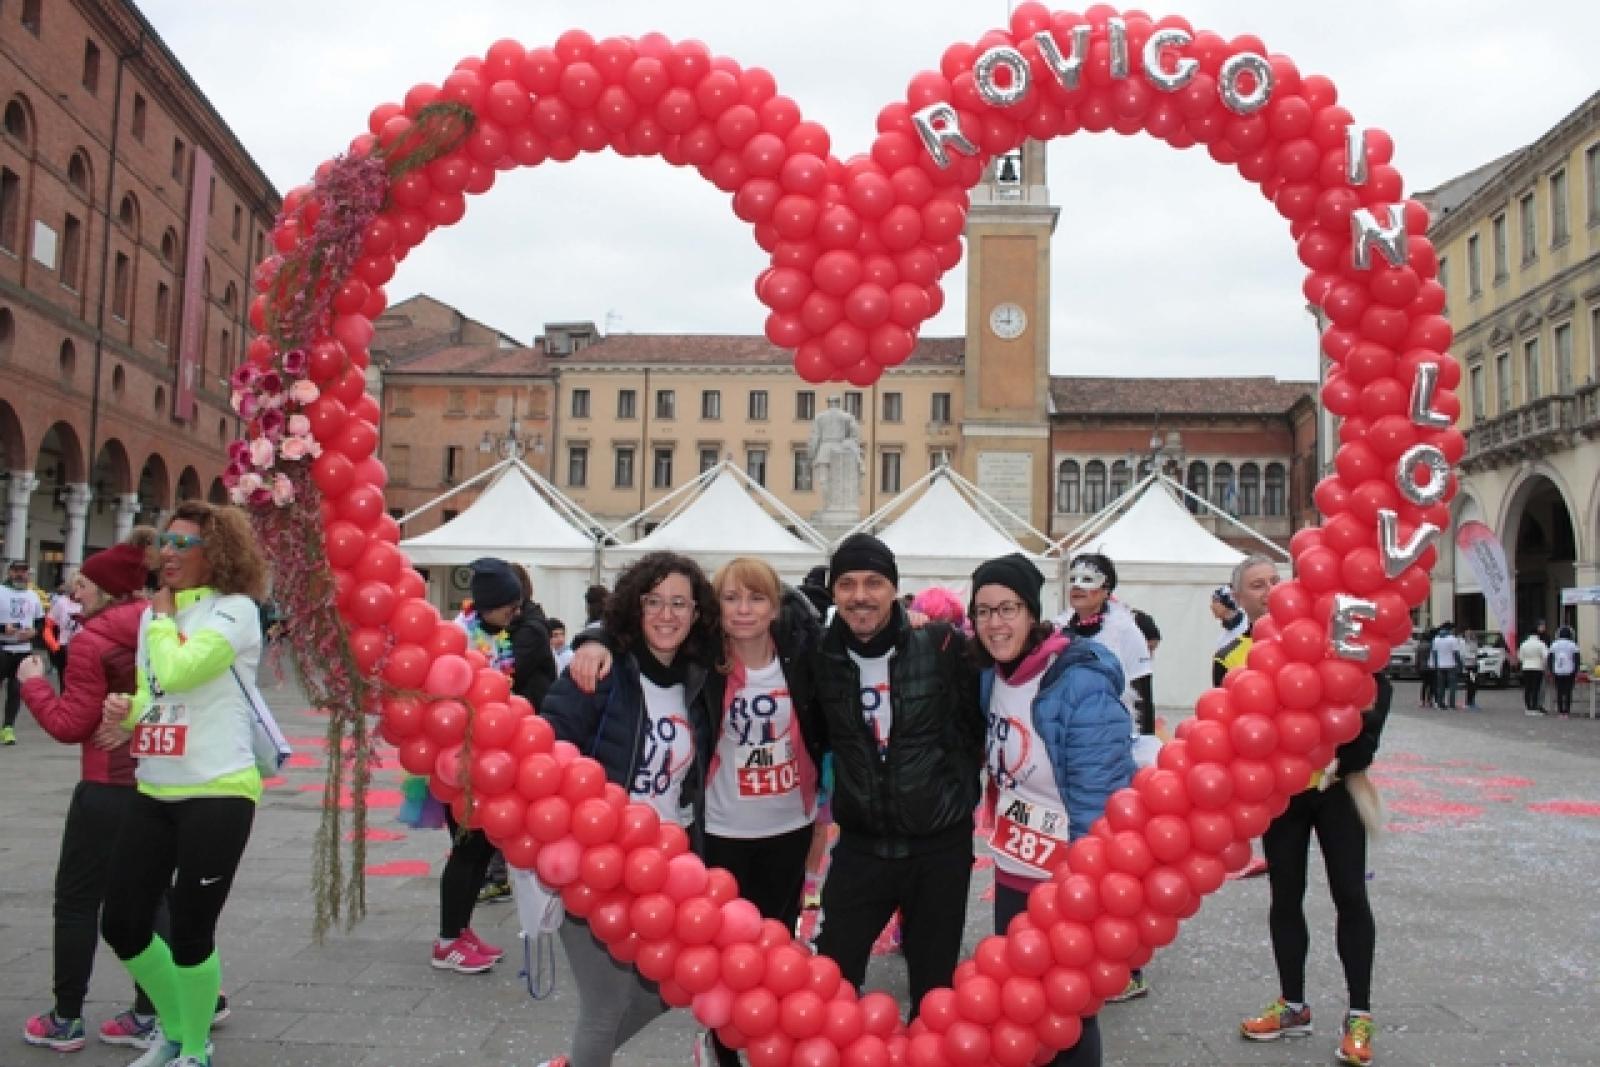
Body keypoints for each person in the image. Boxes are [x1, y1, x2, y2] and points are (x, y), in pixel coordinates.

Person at [96, 501, 269, 1067]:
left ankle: (195, 1048)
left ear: (214, 553)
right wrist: (126, 712)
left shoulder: (235, 611)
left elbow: (179, 670)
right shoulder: (158, 617)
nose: (166, 554)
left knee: (193, 930)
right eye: (164, 543)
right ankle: (174, 1031)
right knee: (122, 922)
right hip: (155, 787)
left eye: (182, 545)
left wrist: (163, 621)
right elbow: (158, 694)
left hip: (217, 790)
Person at [535, 551, 719, 1067]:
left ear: (696, 614)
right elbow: (547, 753)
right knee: (605, 1006)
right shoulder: (601, 672)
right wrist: (594, 640)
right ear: (634, 607)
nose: (666, 614)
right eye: (653, 601)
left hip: (665, 869)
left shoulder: (695, 680)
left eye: (679, 603)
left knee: (670, 987)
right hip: (598, 864)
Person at [803, 533, 984, 1016]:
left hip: (938, 848)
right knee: (829, 985)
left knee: (934, 996)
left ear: (893, 589)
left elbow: (977, 723)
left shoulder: (942, 645)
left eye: (873, 583)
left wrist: (954, 793)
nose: (860, 595)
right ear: (834, 591)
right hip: (863, 846)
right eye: (847, 584)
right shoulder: (820, 657)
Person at [972, 553, 1134, 1067]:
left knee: (1069, 1014)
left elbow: (1103, 800)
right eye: (983, 611)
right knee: (1023, 1011)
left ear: (1032, 612)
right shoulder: (990, 675)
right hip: (1013, 869)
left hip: (1067, 880)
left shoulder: (1077, 683)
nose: (995, 623)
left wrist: (1085, 890)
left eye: (1008, 609)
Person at [17, 545, 149, 1052]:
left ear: (108, 591)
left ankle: (66, 1017)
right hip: (155, 781)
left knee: (76, 901)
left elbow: (70, 725)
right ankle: (154, 1009)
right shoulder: (160, 627)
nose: (75, 592)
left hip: (105, 784)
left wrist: (34, 685)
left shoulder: (93, 642)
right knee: (150, 898)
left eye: (84, 584)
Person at [696, 557, 824, 1067]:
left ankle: (767, 1043)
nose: (743, 609)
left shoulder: (802, 659)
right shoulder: (703, 662)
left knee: (776, 947)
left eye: (756, 598)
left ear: (775, 608)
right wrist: (593, 639)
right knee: (726, 957)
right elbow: (638, 638)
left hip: (788, 826)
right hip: (724, 830)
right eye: (731, 598)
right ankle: (723, 1049)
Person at [1240, 674, 1392, 1067]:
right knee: (1285, 895)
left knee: (1351, 895)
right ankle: (1293, 1006)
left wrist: (1354, 751)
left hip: (1339, 786)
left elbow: (1377, 691)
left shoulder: (1352, 653)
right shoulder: (1251, 651)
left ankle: (1359, 1015)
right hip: (1284, 789)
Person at [1055, 553, 1150, 731]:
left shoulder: (1126, 631)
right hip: (1068, 730)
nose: (1077, 586)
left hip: (1111, 733)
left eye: (1087, 579)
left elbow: (1142, 695)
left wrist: (1144, 743)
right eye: (1072, 579)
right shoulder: (1058, 630)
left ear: (1106, 589)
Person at [2, 557, 46, 745]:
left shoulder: (33, 595)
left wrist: (34, 632)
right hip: (3, 647)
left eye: (23, 571)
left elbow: (41, 622)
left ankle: (8, 728)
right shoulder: (1, 591)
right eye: (16, 571)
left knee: (16, 690)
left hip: (23, 650)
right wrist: (3, 629)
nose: (20, 574)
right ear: (9, 572)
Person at [45, 582, 84, 676]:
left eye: (83, 586)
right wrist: (54, 646)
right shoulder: (61, 602)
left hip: (83, 650)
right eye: (78, 585)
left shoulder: (91, 604)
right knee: (64, 680)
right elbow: (48, 627)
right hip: (64, 649)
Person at [1548, 625, 1580, 719]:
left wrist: (1551, 670)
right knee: (1568, 691)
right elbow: (1577, 659)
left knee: (1559, 691)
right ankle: (1566, 711)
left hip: (1557, 670)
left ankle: (1560, 711)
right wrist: (1576, 671)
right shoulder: (1573, 645)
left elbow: (1550, 658)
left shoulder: (1554, 644)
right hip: (1569, 670)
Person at [1429, 622, 1462, 710]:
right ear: (1450, 630)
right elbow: (1456, 653)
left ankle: (1440, 703)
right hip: (1451, 665)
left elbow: (1434, 653)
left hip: (1440, 665)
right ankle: (1451, 704)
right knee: (1452, 686)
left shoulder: (1436, 639)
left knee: (1440, 686)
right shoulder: (1453, 639)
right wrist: (1459, 664)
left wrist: (1436, 665)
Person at [1518, 627, 1549, 715]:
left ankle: (1528, 706)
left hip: (1526, 667)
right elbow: (1546, 656)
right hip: (1538, 667)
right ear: (1537, 635)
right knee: (1536, 688)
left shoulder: (1524, 644)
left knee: (1528, 687)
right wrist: (1544, 665)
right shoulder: (1541, 644)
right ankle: (1535, 706)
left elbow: (1520, 657)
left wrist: (1525, 662)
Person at [1414, 627, 1436, 709]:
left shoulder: (1420, 646)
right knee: (1432, 684)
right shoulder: (1431, 646)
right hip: (1430, 667)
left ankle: (1422, 700)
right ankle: (1430, 700)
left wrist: (1416, 667)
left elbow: (1417, 658)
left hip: (1422, 667)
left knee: (1424, 684)